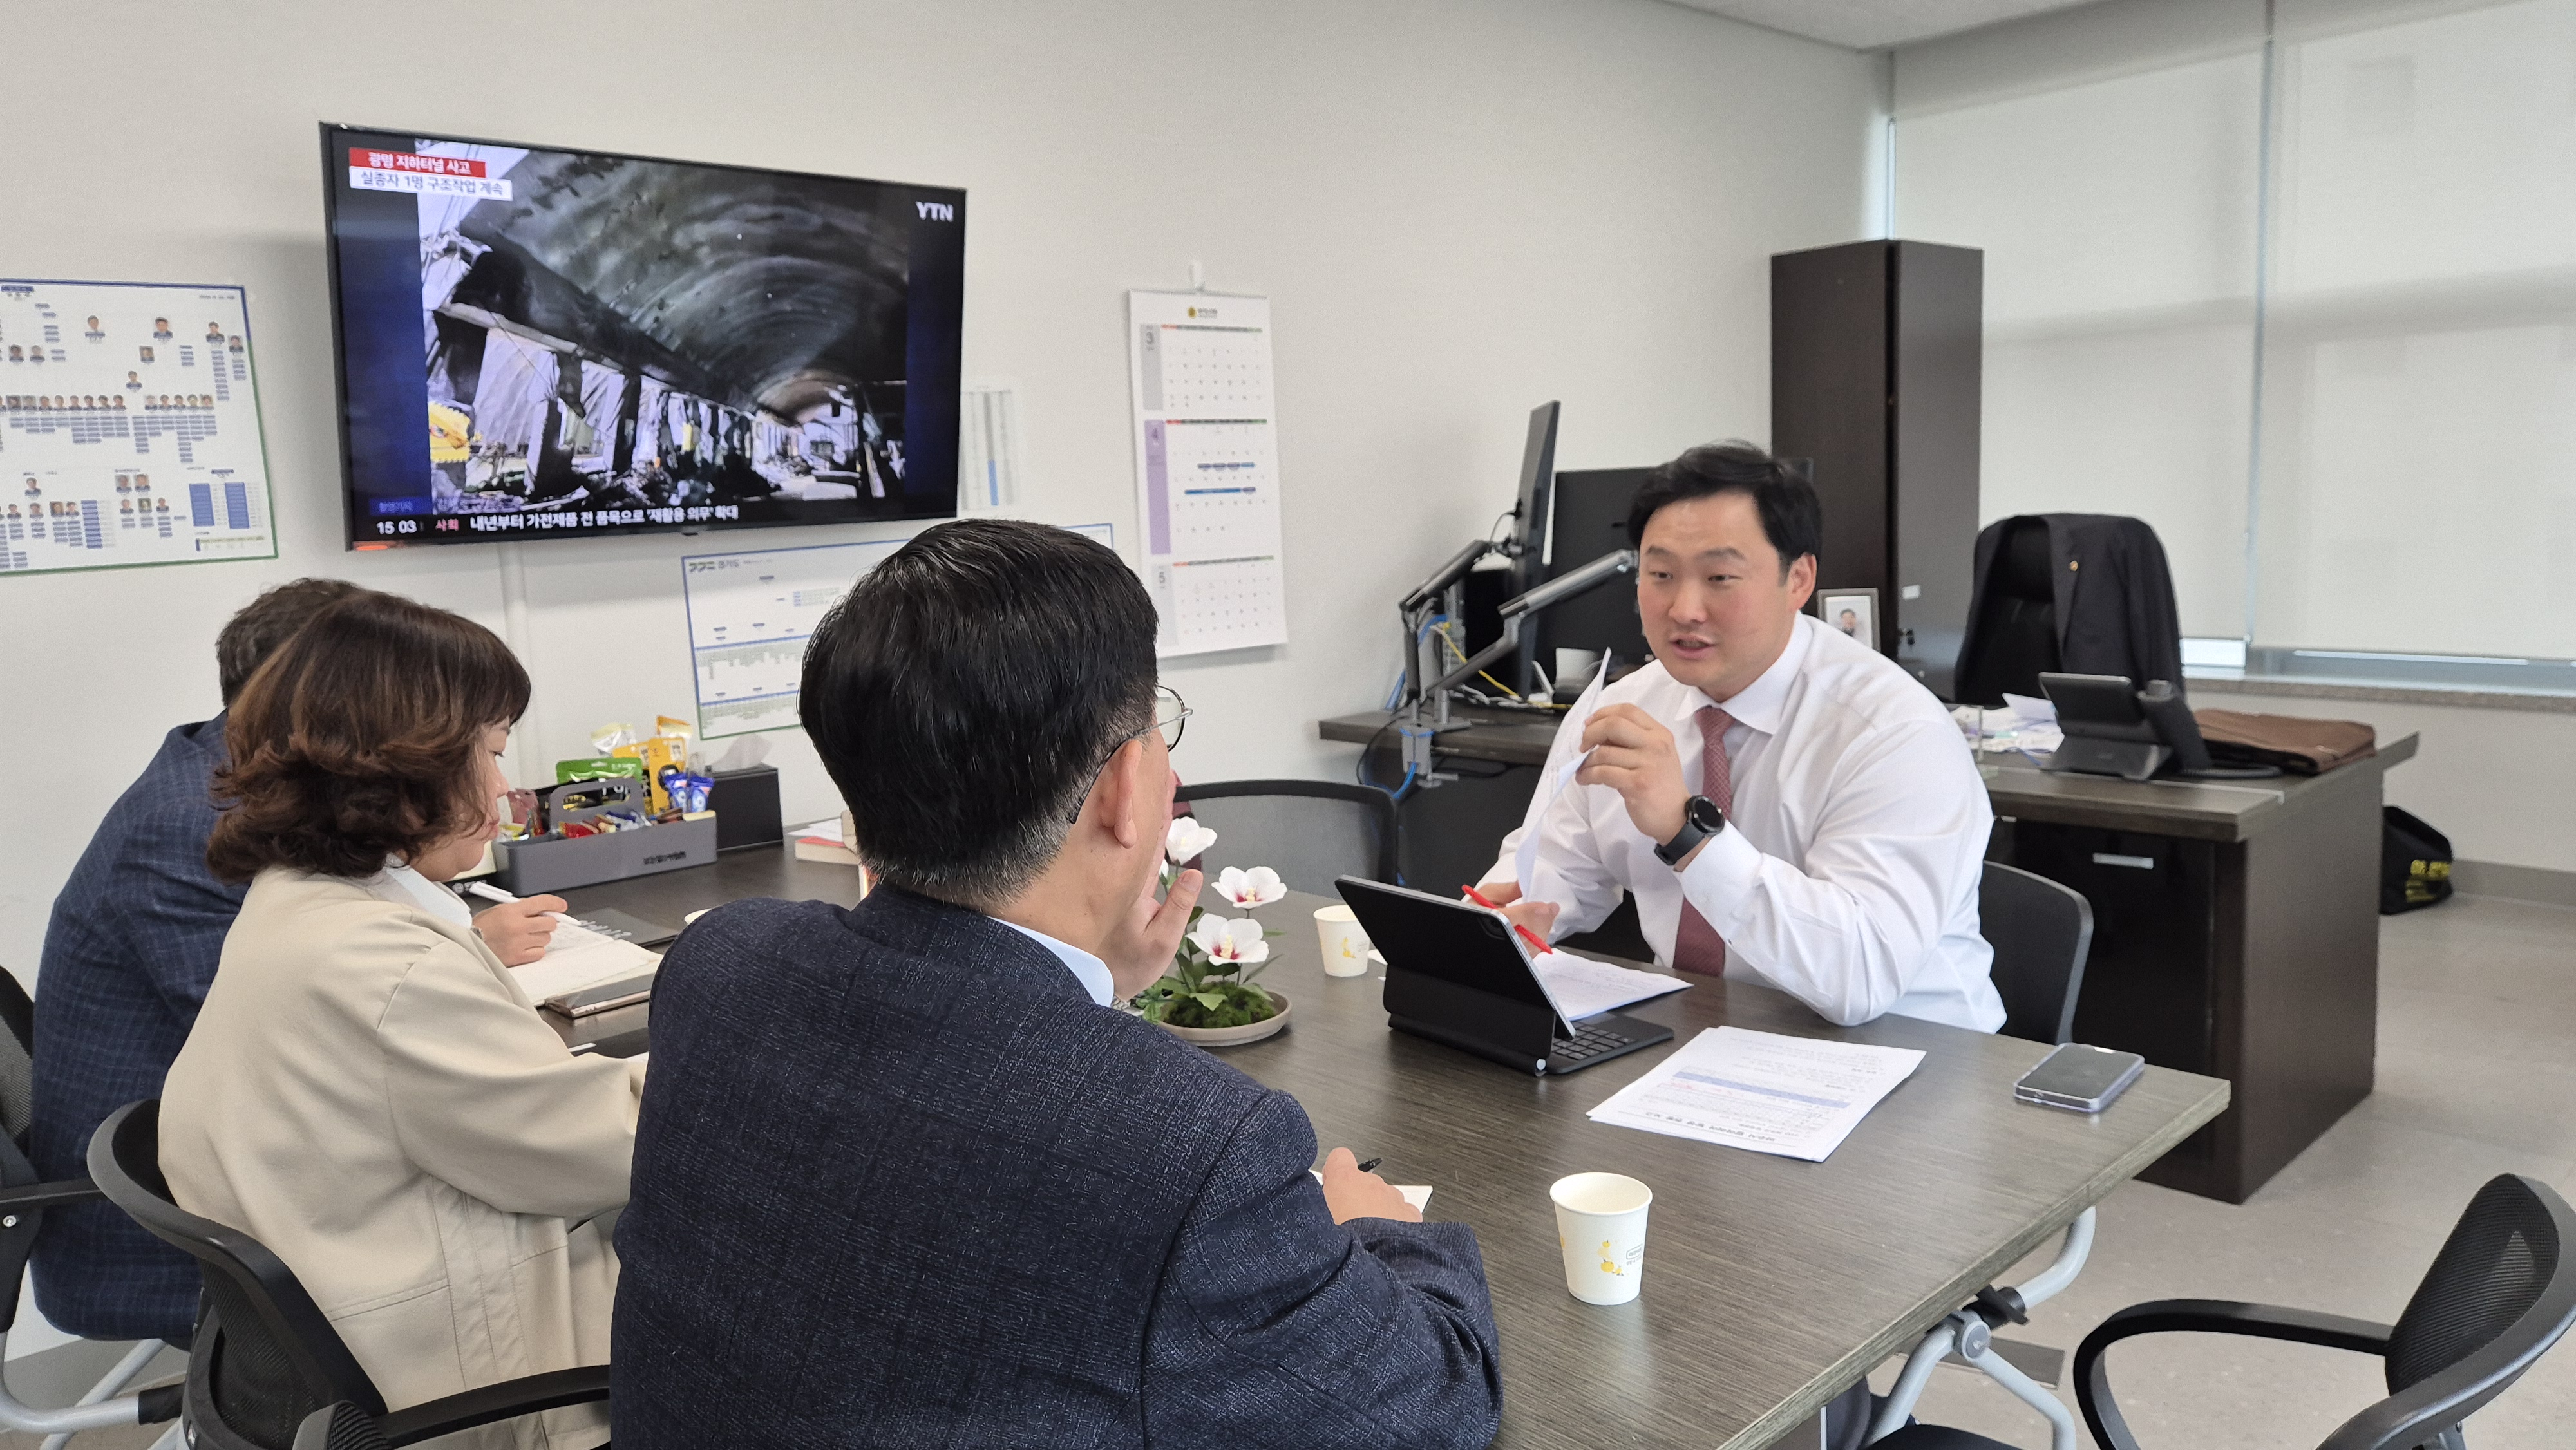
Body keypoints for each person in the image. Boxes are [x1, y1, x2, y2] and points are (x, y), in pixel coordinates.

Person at [612, 519, 1502, 1447]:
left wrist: (1090, 987)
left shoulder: (720, 965)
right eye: (1159, 730)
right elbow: (1433, 1407)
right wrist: (1384, 1231)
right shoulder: (1195, 1149)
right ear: (1124, 789)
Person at [158, 592, 637, 1450]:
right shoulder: (387, 966)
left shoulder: (296, 901)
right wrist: (744, 1044)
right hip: (472, 1384)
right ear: (404, 766)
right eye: (492, 753)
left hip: (358, 1328)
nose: (504, 787)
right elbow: (604, 1148)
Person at [31, 579, 564, 1345]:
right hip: (185, 1242)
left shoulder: (223, 784)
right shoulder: (191, 825)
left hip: (246, 1182)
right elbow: (328, 1035)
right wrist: (462, 951)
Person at [1479, 442, 2003, 1031]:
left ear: (1798, 580)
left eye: (1720, 577)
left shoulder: (1894, 733)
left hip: (1911, 1049)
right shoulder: (1622, 706)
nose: (1685, 608)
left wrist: (1688, 832)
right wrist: (1501, 916)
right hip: (1700, 1033)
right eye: (1661, 575)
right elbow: (1555, 867)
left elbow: (1860, 977)